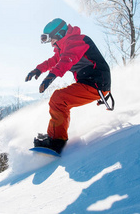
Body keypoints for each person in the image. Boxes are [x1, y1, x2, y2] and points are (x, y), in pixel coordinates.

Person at [25, 18, 112, 154]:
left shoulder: (78, 40)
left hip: (96, 84)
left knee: (58, 99)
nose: (50, 43)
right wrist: (39, 69)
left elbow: (68, 59)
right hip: (89, 82)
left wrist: (51, 77)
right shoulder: (64, 46)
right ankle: (54, 134)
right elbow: (54, 60)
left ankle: (56, 141)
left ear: (59, 34)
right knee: (59, 99)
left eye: (50, 39)